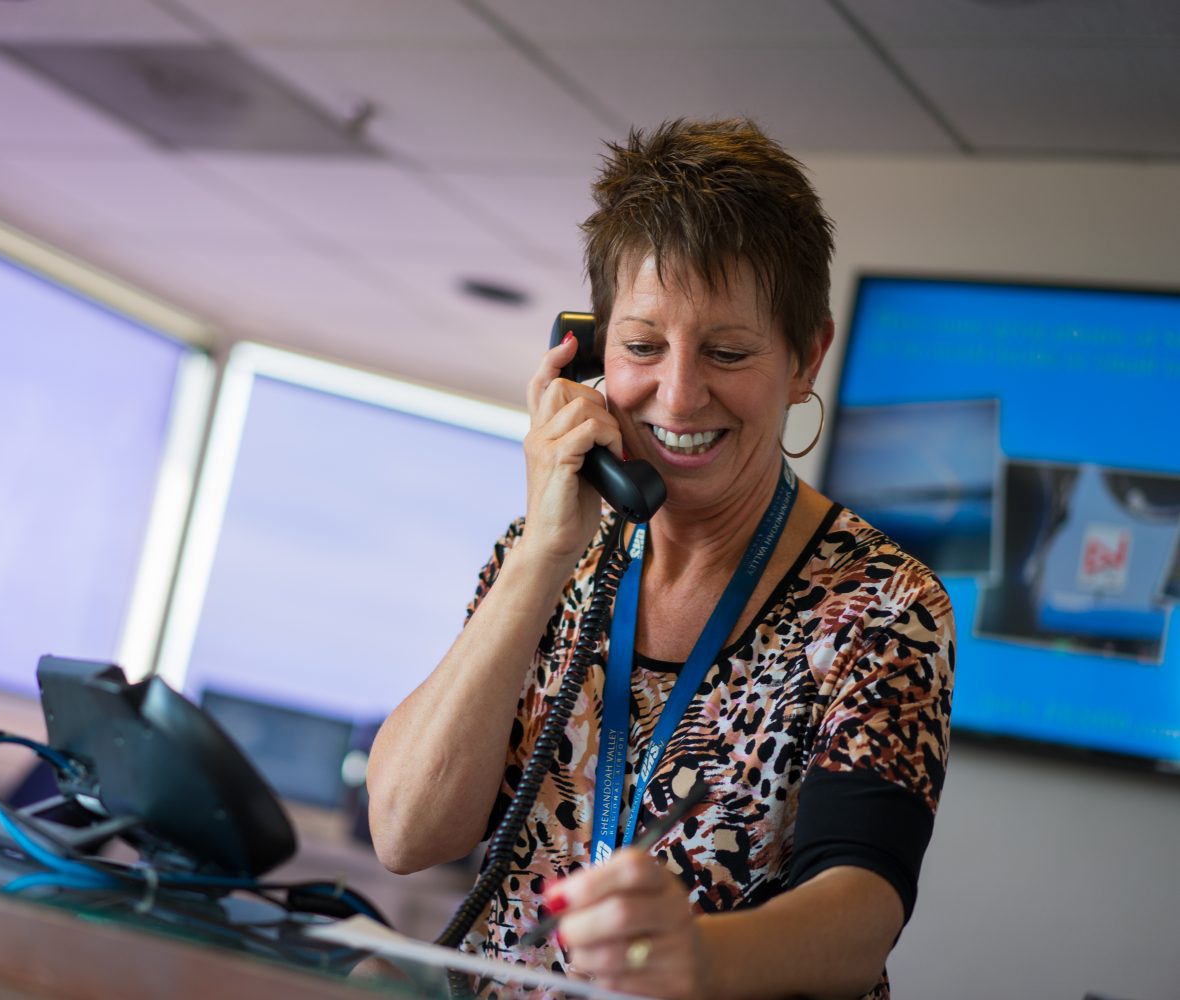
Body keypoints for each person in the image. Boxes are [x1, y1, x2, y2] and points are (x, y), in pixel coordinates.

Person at [365, 118, 954, 1000]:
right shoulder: (543, 557)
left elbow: (862, 905)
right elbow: (407, 834)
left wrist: (695, 960)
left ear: (806, 358)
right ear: (590, 351)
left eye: (728, 351)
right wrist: (544, 556)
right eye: (642, 346)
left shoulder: (882, 604)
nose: (678, 395)